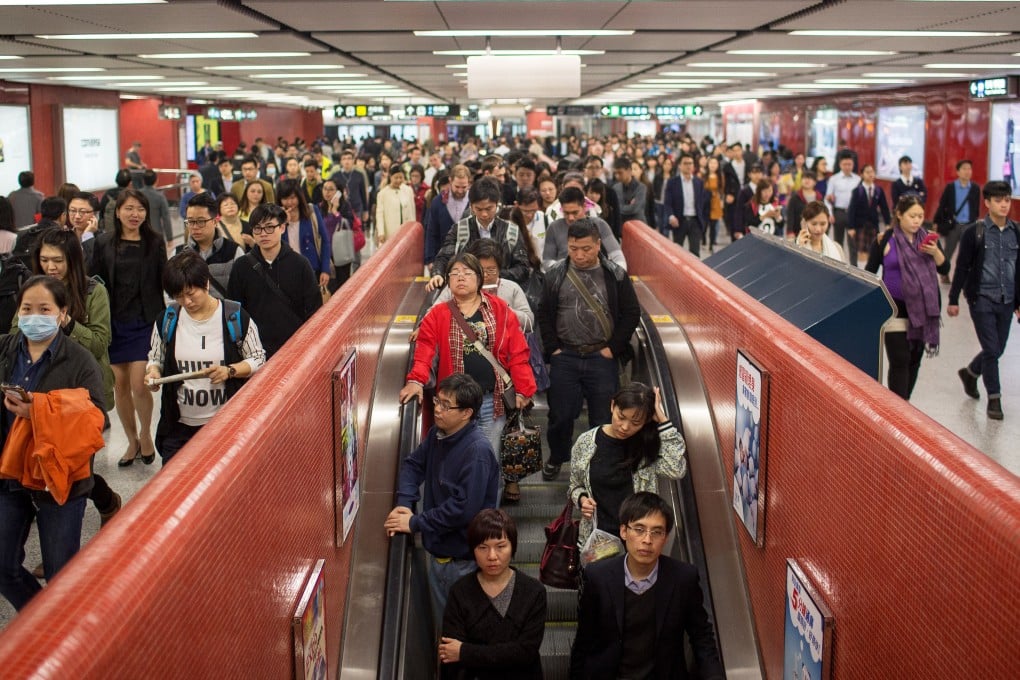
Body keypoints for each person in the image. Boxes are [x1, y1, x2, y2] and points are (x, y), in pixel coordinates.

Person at [0, 276, 106, 610]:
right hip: (10, 473)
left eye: (44, 309)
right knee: (2, 566)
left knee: (62, 574)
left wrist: (40, 412)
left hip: (60, 480)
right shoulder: (5, 349)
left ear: (62, 314)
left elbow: (96, 418)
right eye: (26, 309)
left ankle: (60, 628)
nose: (34, 316)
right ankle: (37, 618)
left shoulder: (79, 360)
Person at [570, 492, 725, 680]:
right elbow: (584, 640)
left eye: (657, 532)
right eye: (639, 529)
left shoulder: (684, 578)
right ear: (623, 532)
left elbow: (702, 638)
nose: (647, 540)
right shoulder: (598, 576)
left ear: (665, 537)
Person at [401, 252, 535, 469]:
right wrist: (416, 380)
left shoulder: (499, 309)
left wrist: (524, 389)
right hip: (454, 405)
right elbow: (424, 349)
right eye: (454, 273)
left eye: (467, 273)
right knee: (455, 461)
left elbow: (518, 351)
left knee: (488, 461)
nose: (460, 277)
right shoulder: (438, 314)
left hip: (492, 400)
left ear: (479, 278)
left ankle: (486, 504)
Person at [385, 373, 500, 625]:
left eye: (446, 406)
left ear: (466, 413)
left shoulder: (477, 452)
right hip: (440, 554)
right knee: (446, 628)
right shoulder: (438, 434)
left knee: (461, 629)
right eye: (437, 401)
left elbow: (463, 510)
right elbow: (413, 465)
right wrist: (405, 503)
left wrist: (414, 523)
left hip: (464, 563)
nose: (437, 409)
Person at [26, 228, 121, 528]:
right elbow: (17, 336)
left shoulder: (94, 292)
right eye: (44, 260)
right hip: (40, 394)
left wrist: (66, 322)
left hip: (83, 396)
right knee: (49, 466)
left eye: (58, 260)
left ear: (74, 260)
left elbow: (99, 342)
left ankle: (63, 547)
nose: (50, 268)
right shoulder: (33, 291)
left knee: (74, 467)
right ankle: (104, 500)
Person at [539, 219, 640, 481]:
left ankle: (599, 463)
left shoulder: (616, 275)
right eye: (573, 249)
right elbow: (544, 314)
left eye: (585, 248)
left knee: (602, 415)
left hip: (601, 357)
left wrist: (613, 348)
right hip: (566, 356)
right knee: (560, 415)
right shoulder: (555, 275)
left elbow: (631, 313)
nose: (579, 255)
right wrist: (553, 350)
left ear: (598, 245)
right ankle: (558, 457)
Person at [146, 251, 265, 463]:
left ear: (206, 284)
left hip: (226, 426)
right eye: (179, 296)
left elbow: (258, 358)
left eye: (191, 293)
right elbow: (156, 358)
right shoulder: (168, 319)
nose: (187, 301)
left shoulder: (234, 316)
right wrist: (153, 371)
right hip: (179, 427)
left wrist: (230, 371)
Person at [89, 188, 166, 466]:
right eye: (130, 209)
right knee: (119, 385)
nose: (135, 214)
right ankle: (131, 440)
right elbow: (94, 282)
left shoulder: (155, 242)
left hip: (144, 321)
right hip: (114, 322)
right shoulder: (103, 243)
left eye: (140, 209)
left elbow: (162, 281)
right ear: (118, 211)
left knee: (139, 383)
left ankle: (146, 433)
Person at [569, 382, 687, 548]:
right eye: (621, 417)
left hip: (639, 541)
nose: (625, 427)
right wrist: (581, 499)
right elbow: (575, 485)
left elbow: (676, 470)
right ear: (612, 406)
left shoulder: (648, 446)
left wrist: (662, 418)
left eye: (636, 422)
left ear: (646, 421)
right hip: (598, 539)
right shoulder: (587, 442)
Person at [438, 509, 546, 679]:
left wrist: (465, 651)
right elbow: (449, 654)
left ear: (513, 547)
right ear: (473, 550)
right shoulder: (460, 592)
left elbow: (525, 652)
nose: (492, 556)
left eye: (501, 546)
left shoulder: (534, 592)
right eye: (482, 548)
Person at [948, 180, 1020, 420]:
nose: (1003, 205)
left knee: (997, 348)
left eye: (1007, 200)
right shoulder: (974, 232)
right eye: (998, 200)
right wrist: (953, 298)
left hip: (1007, 299)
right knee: (991, 349)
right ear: (987, 203)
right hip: (981, 299)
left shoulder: (1016, 232)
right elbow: (962, 268)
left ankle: (970, 373)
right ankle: (995, 399)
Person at [866, 195, 949, 400]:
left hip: (922, 312)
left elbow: (945, 268)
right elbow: (869, 273)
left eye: (920, 216)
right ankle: (898, 410)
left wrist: (936, 253)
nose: (917, 220)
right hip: (893, 309)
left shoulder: (928, 239)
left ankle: (903, 403)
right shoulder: (885, 239)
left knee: (914, 360)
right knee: (900, 360)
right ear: (899, 215)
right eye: (912, 216)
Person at [226, 203, 322, 358]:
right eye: (257, 228)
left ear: (282, 228)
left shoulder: (300, 264)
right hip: (254, 351)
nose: (263, 233)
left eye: (270, 227)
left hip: (294, 348)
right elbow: (234, 310)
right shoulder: (241, 266)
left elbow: (314, 310)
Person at [428, 178, 534, 291]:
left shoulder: (511, 231)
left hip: (502, 291)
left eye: (489, 208)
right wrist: (438, 273)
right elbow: (444, 256)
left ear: (497, 204)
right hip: (466, 291)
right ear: (471, 206)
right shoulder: (460, 229)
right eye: (478, 209)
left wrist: (495, 276)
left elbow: (523, 268)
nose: (484, 214)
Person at [543, 187, 626, 271]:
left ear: (584, 207)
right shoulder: (554, 228)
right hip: (564, 276)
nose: (570, 218)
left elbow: (617, 255)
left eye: (575, 212)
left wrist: (619, 274)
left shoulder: (600, 225)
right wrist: (567, 267)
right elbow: (547, 262)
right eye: (566, 213)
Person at [176, 192, 243, 296]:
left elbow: (243, 289)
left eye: (201, 221)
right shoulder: (178, 254)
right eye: (190, 221)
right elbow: (171, 292)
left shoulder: (234, 252)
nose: (194, 227)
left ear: (215, 221)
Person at [276, 180, 331, 289]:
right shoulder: (276, 216)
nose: (289, 202)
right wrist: (283, 222)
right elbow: (274, 242)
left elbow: (325, 240)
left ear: (299, 197)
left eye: (292, 198)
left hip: (312, 268)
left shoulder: (312, 210)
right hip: (286, 271)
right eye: (285, 199)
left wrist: (325, 269)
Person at [935, 159, 981, 281]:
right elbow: (942, 204)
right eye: (964, 169)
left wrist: (974, 220)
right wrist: (937, 221)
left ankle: (963, 276)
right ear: (958, 172)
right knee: (948, 251)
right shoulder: (951, 187)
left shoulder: (975, 188)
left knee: (967, 252)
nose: (967, 171)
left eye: (969, 169)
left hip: (969, 225)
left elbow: (976, 206)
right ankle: (944, 273)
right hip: (953, 225)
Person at [424, 165, 472, 273]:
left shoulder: (473, 201)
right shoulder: (438, 201)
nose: (460, 191)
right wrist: (430, 259)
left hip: (468, 259)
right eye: (457, 187)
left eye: (464, 187)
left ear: (469, 183)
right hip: (442, 259)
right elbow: (431, 231)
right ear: (450, 181)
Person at [664, 153, 712, 255]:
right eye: (685, 163)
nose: (688, 166)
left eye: (690, 163)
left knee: (695, 253)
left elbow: (702, 203)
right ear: (679, 166)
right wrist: (671, 216)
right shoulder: (672, 182)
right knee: (677, 252)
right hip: (679, 220)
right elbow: (668, 203)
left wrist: (703, 219)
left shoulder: (699, 182)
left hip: (695, 221)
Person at [847, 164, 891, 267]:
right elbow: (851, 209)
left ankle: (870, 271)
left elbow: (884, 208)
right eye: (867, 172)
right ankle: (861, 271)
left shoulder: (878, 190)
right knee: (862, 251)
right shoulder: (858, 191)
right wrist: (851, 227)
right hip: (860, 225)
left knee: (873, 249)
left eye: (872, 172)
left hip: (873, 225)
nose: (870, 174)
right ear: (862, 175)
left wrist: (888, 223)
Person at [825, 152, 860, 260]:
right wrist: (830, 214)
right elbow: (827, 199)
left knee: (853, 243)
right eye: (845, 164)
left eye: (849, 164)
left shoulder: (858, 179)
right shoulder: (833, 179)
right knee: (838, 242)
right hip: (839, 212)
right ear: (840, 165)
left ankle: (855, 268)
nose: (847, 167)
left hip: (853, 214)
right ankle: (838, 264)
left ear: (853, 165)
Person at [375, 165, 416, 248]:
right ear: (390, 177)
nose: (398, 180)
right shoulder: (383, 194)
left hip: (405, 231)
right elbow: (379, 215)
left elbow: (412, 211)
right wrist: (381, 233)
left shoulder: (408, 190)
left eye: (401, 177)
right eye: (396, 178)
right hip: (390, 231)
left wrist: (413, 229)